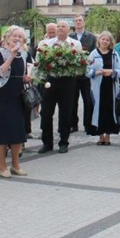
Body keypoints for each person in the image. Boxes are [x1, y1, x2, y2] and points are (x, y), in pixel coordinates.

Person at [37, 21, 82, 154]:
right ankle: (47, 143)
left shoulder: (75, 43)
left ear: (69, 30)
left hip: (67, 80)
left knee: (65, 112)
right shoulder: (47, 44)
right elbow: (40, 61)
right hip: (50, 80)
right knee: (46, 112)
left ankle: (63, 141)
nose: (60, 28)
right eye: (58, 26)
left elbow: (79, 62)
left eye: (63, 26)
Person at [0, 26, 31, 177]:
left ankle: (16, 165)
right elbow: (0, 72)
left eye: (20, 37)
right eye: (15, 36)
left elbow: (23, 74)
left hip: (17, 95)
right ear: (8, 38)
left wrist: (26, 78)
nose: (17, 39)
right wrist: (11, 56)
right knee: (2, 132)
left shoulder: (25, 55)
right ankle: (2, 166)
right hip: (3, 95)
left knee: (17, 132)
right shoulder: (0, 53)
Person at [88, 31, 120, 145]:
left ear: (110, 42)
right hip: (97, 86)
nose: (105, 41)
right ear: (99, 40)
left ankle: (108, 136)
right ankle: (100, 135)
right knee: (98, 109)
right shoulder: (93, 54)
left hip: (110, 86)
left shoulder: (114, 54)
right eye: (103, 39)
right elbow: (86, 70)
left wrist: (112, 71)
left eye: (107, 40)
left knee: (109, 110)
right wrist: (97, 72)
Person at [70, 14, 97, 134]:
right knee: (72, 100)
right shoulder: (70, 37)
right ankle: (73, 124)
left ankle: (88, 124)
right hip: (73, 74)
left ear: (84, 22)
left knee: (87, 100)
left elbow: (94, 53)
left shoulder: (91, 37)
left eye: (80, 20)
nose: (78, 22)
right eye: (76, 21)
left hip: (86, 74)